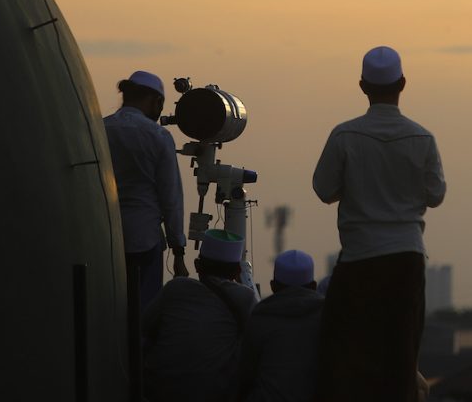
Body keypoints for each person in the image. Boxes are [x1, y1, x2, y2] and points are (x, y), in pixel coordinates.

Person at [312, 45, 447, 402]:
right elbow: (435, 195)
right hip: (406, 258)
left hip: (359, 259)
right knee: (401, 358)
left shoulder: (345, 136)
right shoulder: (423, 139)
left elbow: (323, 189)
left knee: (347, 354)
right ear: (403, 83)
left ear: (362, 86)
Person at [104, 70, 188, 312]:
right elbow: (171, 197)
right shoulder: (159, 137)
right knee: (144, 313)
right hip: (145, 240)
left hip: (107, 237)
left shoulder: (101, 128)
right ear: (156, 101)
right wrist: (178, 249)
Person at [143, 229, 259, 402]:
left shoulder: (176, 288)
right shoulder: (245, 298)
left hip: (161, 392)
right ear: (236, 272)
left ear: (197, 266)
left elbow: (143, 327)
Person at [239, 250, 324, 402]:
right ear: (313, 286)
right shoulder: (328, 316)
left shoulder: (260, 316)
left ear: (273, 286)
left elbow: (245, 373)